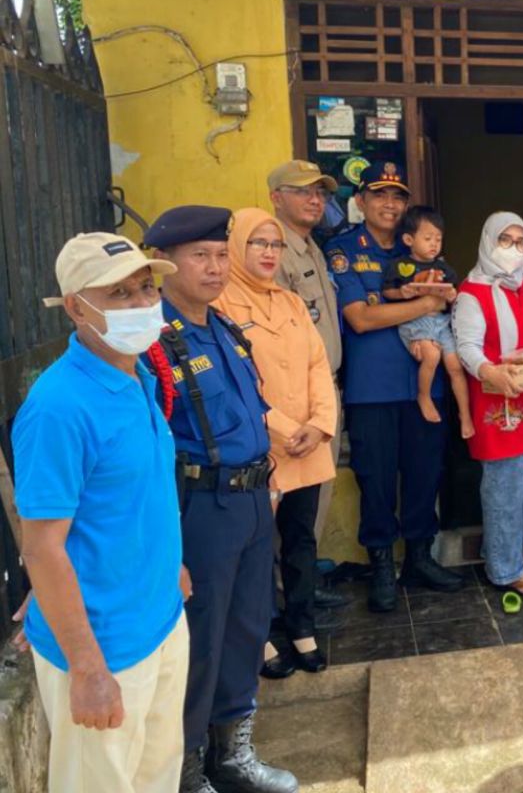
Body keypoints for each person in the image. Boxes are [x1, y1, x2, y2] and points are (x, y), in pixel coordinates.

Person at [13, 234, 187, 793]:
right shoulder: (58, 407)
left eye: (145, 287)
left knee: (157, 775)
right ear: (75, 307)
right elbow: (41, 545)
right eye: (118, 293)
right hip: (103, 646)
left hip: (159, 619)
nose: (141, 304)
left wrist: (169, 568)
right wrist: (86, 668)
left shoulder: (138, 377)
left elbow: (133, 498)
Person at [144, 206, 297, 793]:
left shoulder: (223, 328)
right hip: (201, 506)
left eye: (217, 254)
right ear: (166, 265)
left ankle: (232, 755)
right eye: (198, 257)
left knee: (246, 626)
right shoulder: (154, 340)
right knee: (200, 637)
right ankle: (185, 770)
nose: (213, 268)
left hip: (254, 500)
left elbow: (248, 413)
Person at [324, 162, 463, 613]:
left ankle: (420, 557)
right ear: (360, 201)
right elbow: (360, 319)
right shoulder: (345, 250)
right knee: (377, 480)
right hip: (373, 389)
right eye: (379, 195)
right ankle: (382, 563)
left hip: (425, 386)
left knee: (426, 474)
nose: (390, 204)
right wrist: (425, 302)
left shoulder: (423, 250)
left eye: (398, 197)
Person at [214, 208, 338, 679]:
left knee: (301, 540)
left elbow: (316, 365)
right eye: (258, 243)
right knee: (257, 546)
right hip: (261, 448)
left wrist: (322, 424)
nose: (269, 253)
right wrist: (288, 430)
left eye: (275, 245)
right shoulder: (221, 305)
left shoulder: (288, 302)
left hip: (309, 444)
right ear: (238, 247)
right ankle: (260, 633)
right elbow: (235, 385)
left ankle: (301, 625)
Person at [452, 212, 523, 597]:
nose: (513, 249)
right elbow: (466, 347)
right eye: (505, 240)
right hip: (500, 404)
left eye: (521, 242)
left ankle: (503, 554)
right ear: (487, 241)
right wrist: (489, 373)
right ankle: (506, 569)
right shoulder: (471, 293)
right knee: (504, 489)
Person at [267, 160, 344, 599]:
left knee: (317, 494)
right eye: (302, 192)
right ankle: (286, 589)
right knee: (295, 500)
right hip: (297, 396)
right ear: (277, 197)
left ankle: (301, 579)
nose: (315, 200)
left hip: (324, 389)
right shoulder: (275, 253)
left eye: (320, 192)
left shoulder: (312, 247)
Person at [381, 205, 473, 438]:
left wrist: (451, 295)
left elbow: (453, 296)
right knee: (431, 356)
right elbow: (387, 292)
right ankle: (424, 395)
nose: (434, 244)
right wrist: (403, 293)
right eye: (428, 238)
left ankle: (465, 414)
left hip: (440, 322)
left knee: (455, 365)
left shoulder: (444, 268)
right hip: (414, 322)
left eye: (438, 239)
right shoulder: (400, 266)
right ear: (409, 239)